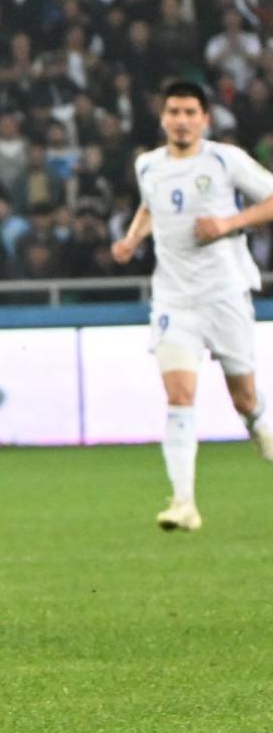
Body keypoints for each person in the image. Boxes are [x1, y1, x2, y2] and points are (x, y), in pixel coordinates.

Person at [111, 80, 273, 530]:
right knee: (180, 396)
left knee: (244, 398)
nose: (181, 121)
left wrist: (228, 223)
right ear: (163, 117)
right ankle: (183, 503)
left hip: (224, 294)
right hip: (174, 298)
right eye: (174, 112)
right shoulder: (148, 165)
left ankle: (258, 421)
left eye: (189, 113)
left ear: (205, 119)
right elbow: (150, 207)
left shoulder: (225, 160)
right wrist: (131, 239)